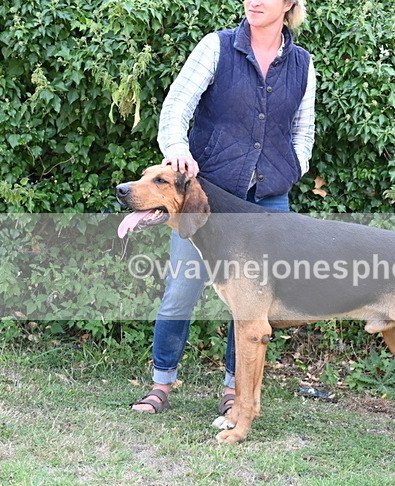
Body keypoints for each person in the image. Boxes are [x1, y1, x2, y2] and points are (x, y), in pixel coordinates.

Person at [131, 0, 315, 416]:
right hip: (206, 198)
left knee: (253, 302)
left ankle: (238, 391)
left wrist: (290, 169)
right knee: (181, 290)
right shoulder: (216, 46)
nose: (255, 1)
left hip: (268, 199)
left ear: (289, 4)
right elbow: (177, 106)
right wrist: (177, 151)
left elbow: (304, 130)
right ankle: (162, 383)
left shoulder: (303, 63)